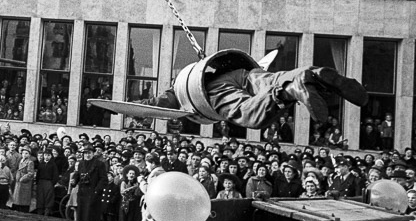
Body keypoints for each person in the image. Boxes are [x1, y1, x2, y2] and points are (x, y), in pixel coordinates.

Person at [142, 61, 367, 130]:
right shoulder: (209, 75)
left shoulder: (176, 91)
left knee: (248, 114)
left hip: (212, 93)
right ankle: (311, 74)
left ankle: (287, 91)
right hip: (237, 73)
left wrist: (140, 111)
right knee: (268, 79)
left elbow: (159, 103)